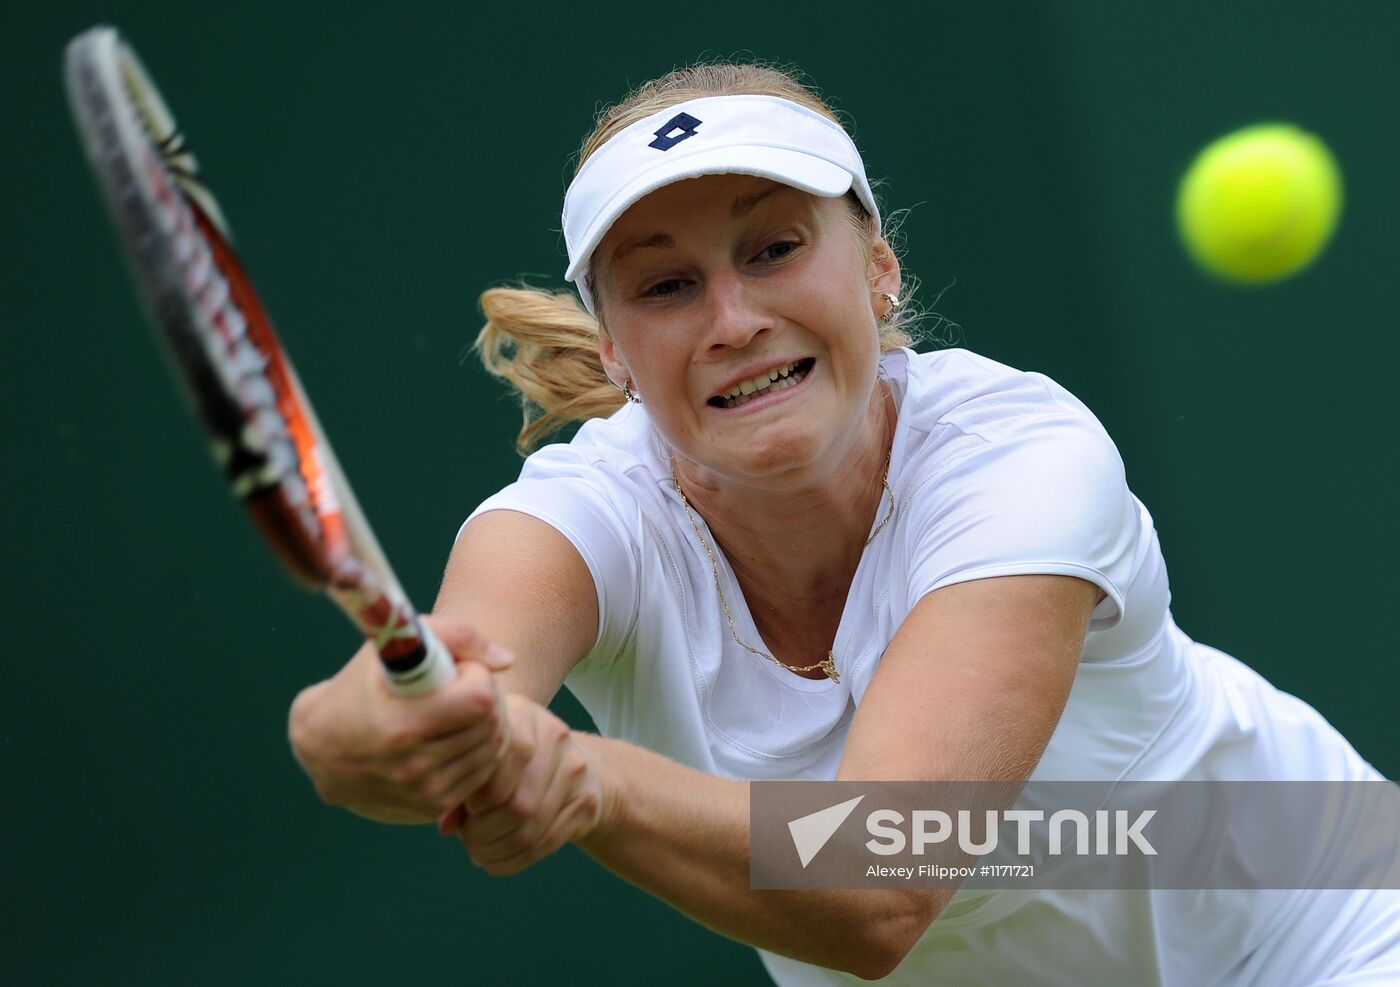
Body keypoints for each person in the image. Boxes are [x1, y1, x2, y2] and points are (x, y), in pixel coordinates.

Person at [287, 63, 1398, 984]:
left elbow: (879, 882)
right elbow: (397, 713)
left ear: (876, 270)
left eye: (771, 250)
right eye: (665, 287)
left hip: (1314, 921)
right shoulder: (582, 520)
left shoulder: (1021, 459)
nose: (732, 319)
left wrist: (583, 779)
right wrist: (383, 732)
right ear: (614, 351)